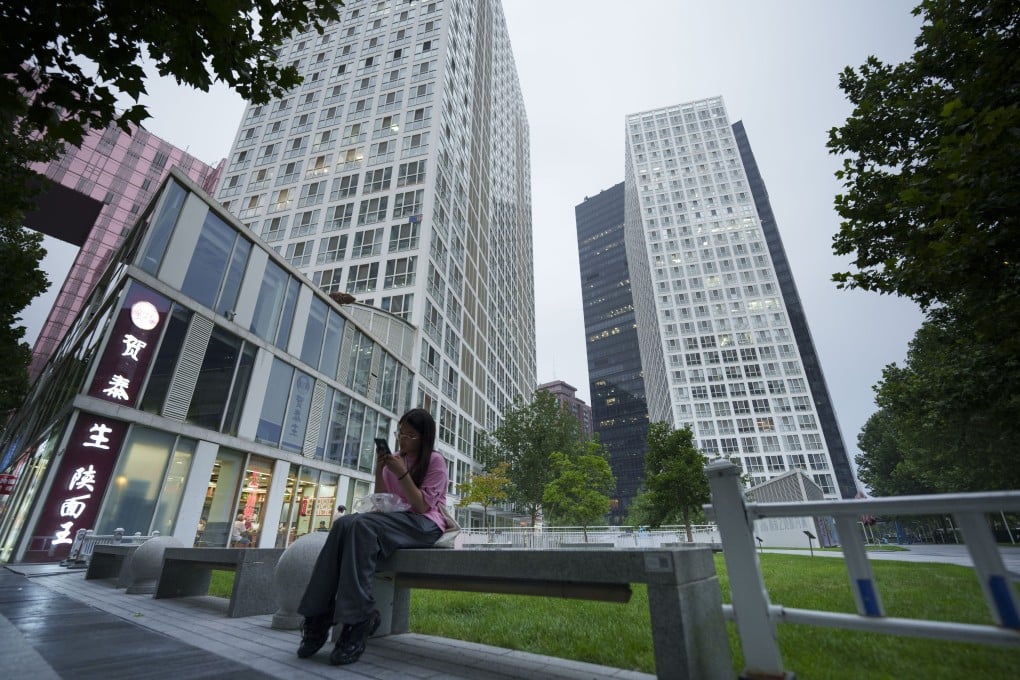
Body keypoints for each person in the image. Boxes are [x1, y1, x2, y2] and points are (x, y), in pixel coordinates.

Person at [296, 408, 448, 666]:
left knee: (361, 526)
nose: (403, 439)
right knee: (345, 523)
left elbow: (421, 506)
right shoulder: (395, 459)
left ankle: (357, 619)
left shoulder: (435, 461)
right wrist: (381, 470)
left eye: (410, 435)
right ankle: (319, 613)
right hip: (393, 521)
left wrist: (401, 473)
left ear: (424, 438)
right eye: (400, 432)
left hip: (424, 524)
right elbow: (382, 500)